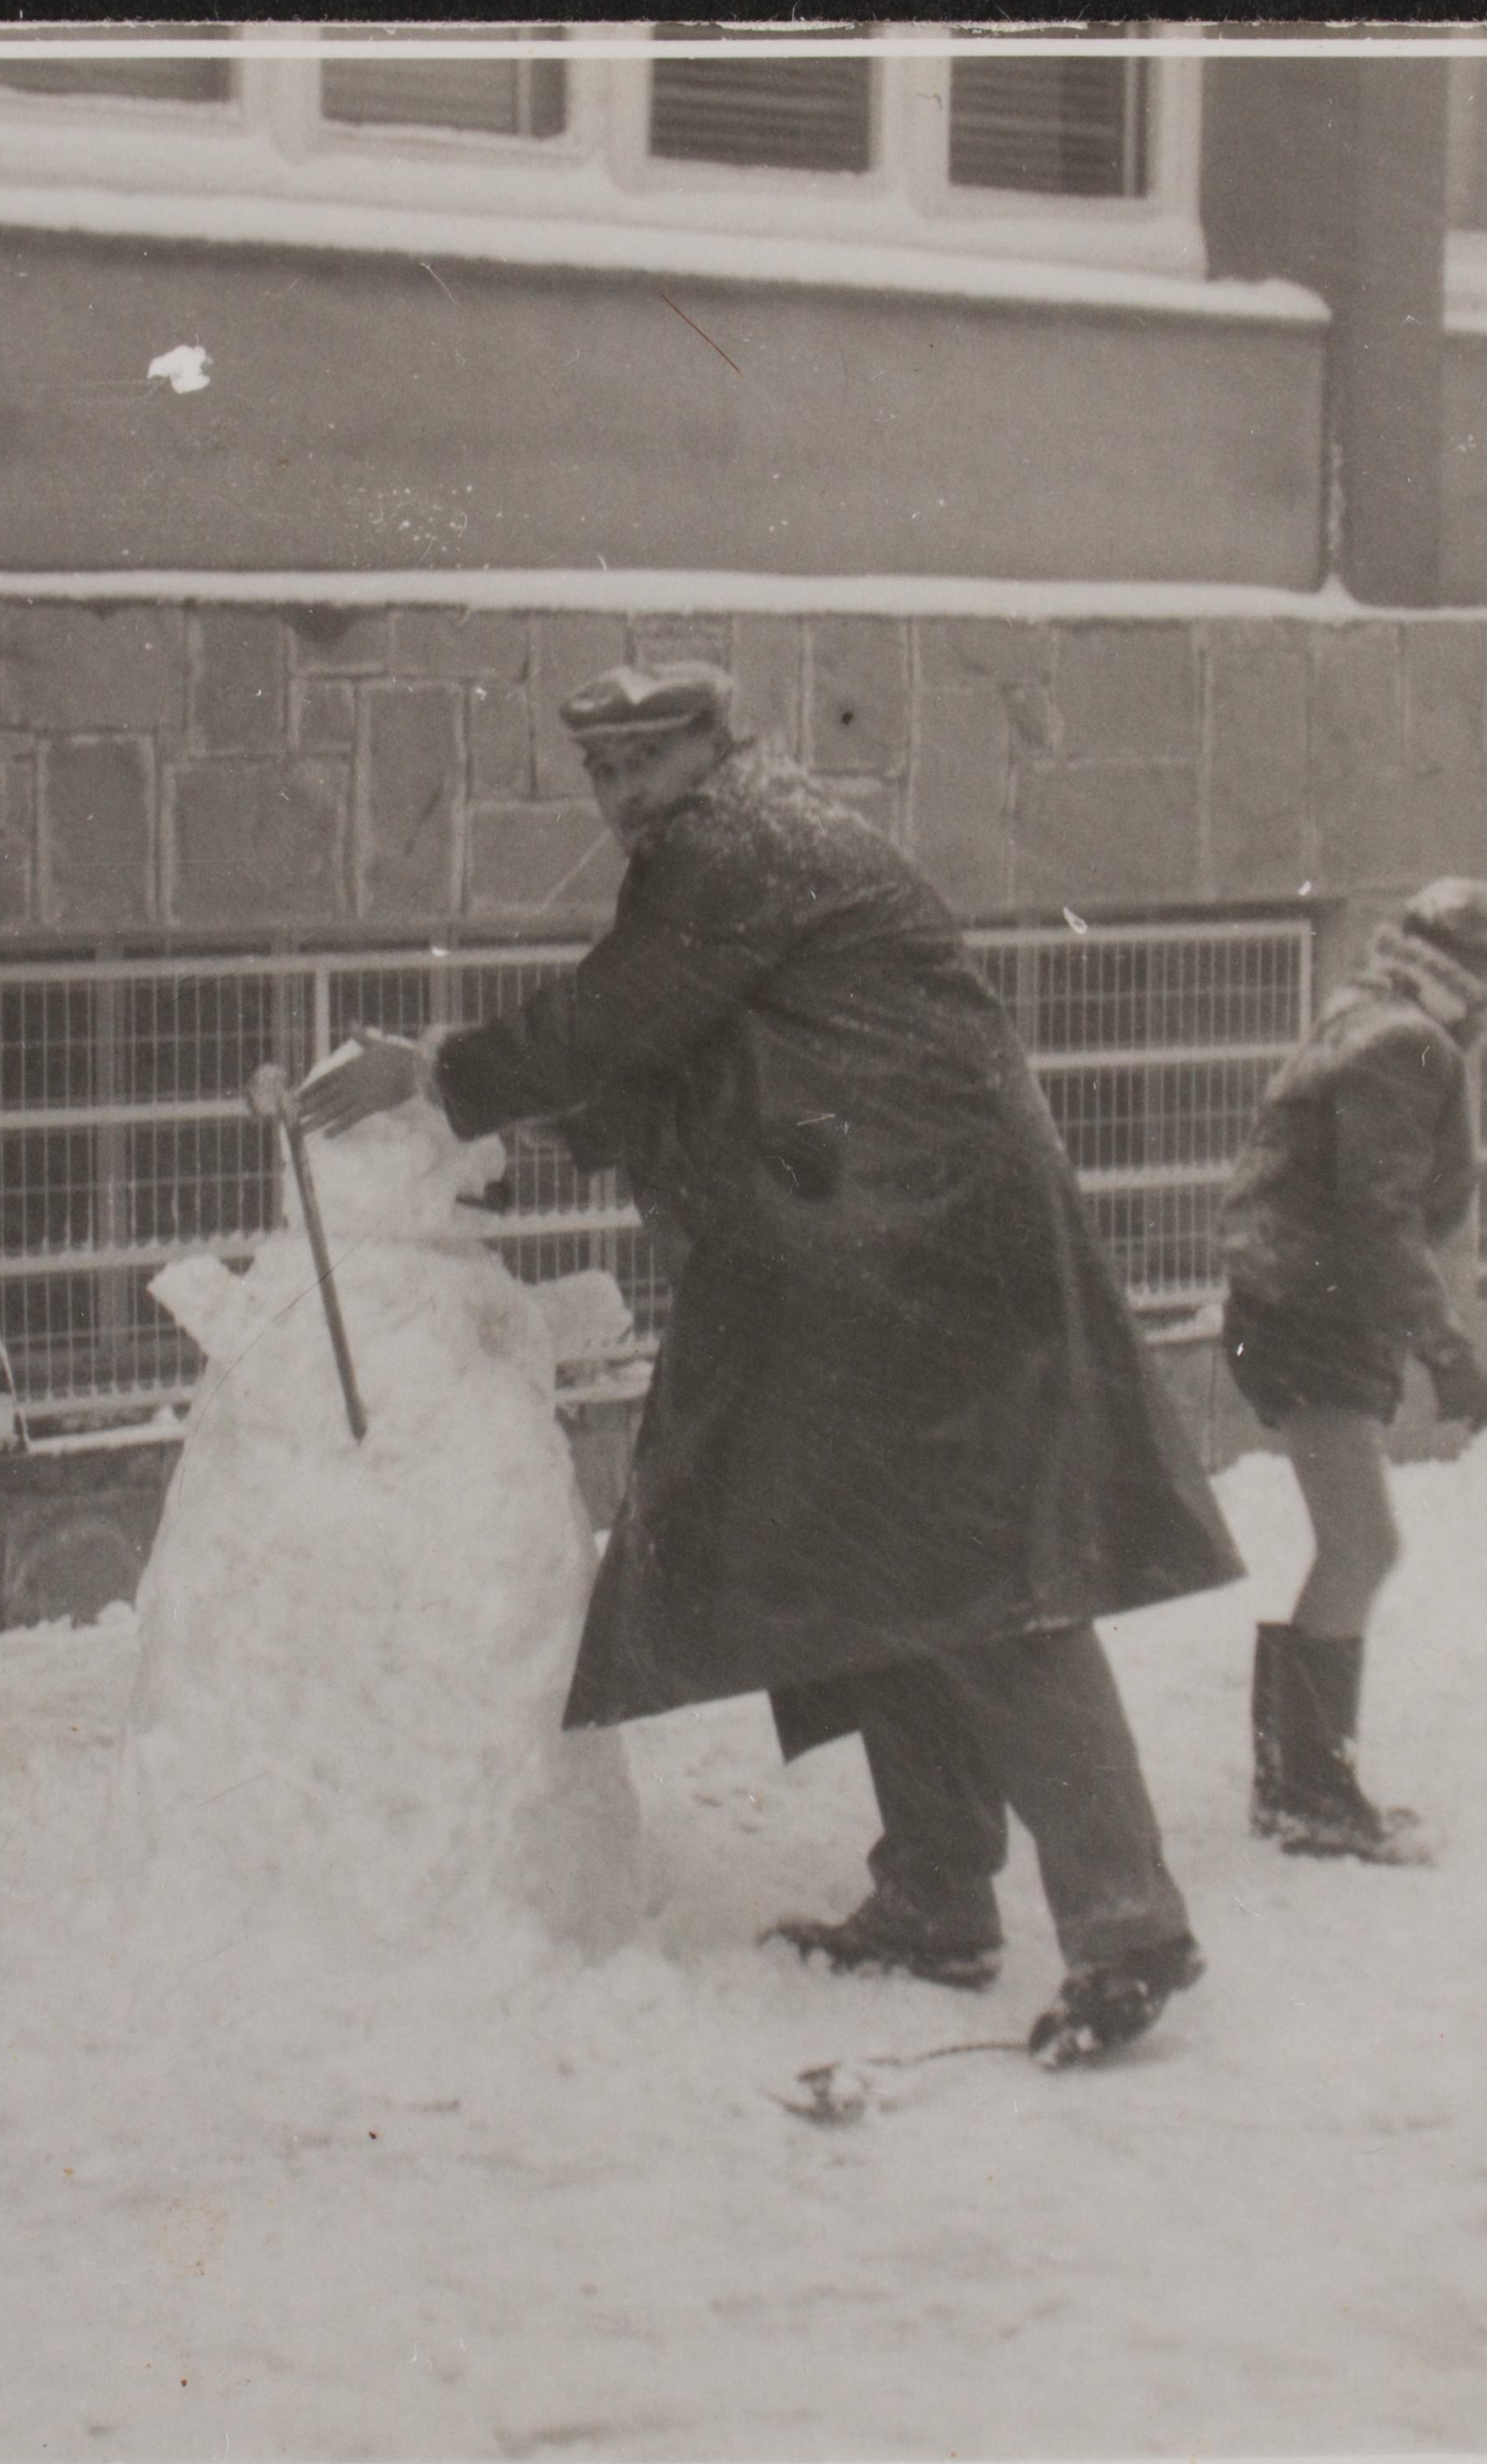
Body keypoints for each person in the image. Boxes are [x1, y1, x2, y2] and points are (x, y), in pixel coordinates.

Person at [295, 663, 1244, 2069]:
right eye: (600, 769)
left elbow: (609, 1022)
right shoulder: (741, 845)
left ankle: (1128, 1930)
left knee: (992, 1591)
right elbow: (677, 1055)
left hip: (928, 1253)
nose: (620, 792)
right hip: (871, 1247)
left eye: (643, 759)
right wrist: (508, 1145)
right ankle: (935, 1895)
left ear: (711, 743)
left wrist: (434, 1072)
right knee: (889, 1569)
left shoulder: (738, 842)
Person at [1213, 877, 1487, 1867]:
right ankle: (1311, 1797)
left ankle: (1299, 1787)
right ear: (1466, 971)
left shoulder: (1367, 1017)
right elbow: (1380, 1217)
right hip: (1314, 1318)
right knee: (1361, 1546)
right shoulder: (1408, 1045)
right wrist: (1447, 1349)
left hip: (1293, 1310)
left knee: (1354, 1545)